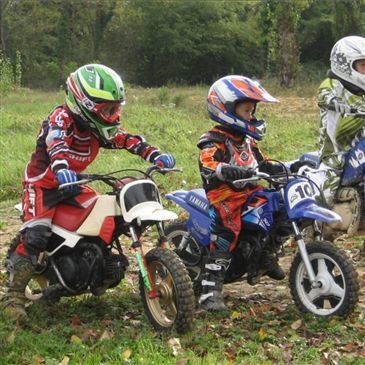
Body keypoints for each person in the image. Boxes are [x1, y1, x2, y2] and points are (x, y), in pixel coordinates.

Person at [1, 64, 175, 319]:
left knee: (103, 221)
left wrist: (155, 154)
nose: (114, 114)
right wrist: (61, 168)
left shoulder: (97, 126)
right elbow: (56, 144)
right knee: (36, 237)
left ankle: (94, 266)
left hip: (72, 183)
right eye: (107, 109)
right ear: (84, 104)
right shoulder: (60, 119)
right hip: (43, 184)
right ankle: (12, 296)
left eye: (116, 107)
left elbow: (125, 139)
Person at [197, 75, 297, 311]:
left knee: (281, 207)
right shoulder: (213, 140)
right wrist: (223, 169)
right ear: (226, 108)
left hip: (251, 191)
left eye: (253, 111)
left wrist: (278, 168)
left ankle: (265, 253)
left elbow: (261, 162)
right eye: (246, 111)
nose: (251, 117)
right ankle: (210, 288)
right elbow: (207, 164)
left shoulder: (248, 140)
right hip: (225, 197)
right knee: (227, 230)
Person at [318, 36, 365, 197]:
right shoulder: (332, 85)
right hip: (336, 151)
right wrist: (333, 101)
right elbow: (324, 95)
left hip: (359, 145)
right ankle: (316, 220)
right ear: (344, 64)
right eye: (363, 65)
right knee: (327, 191)